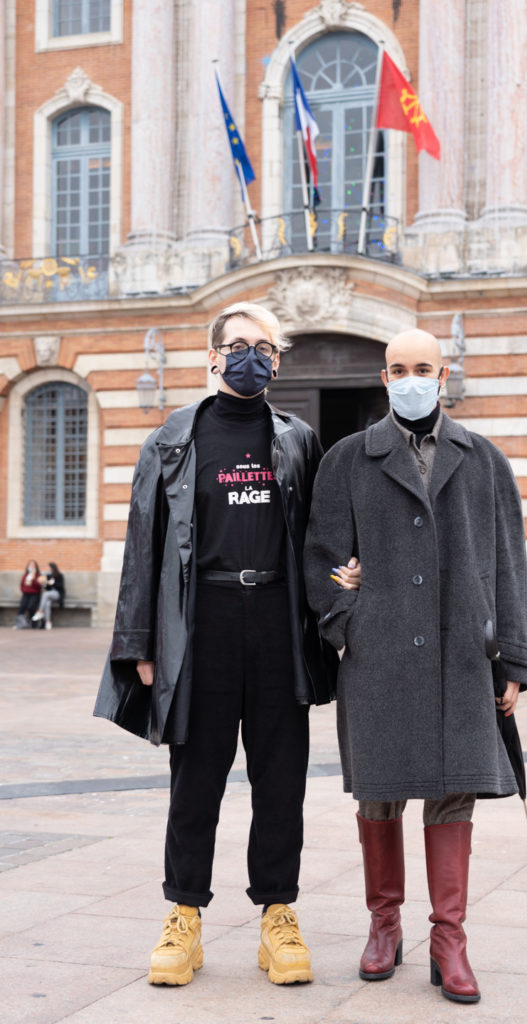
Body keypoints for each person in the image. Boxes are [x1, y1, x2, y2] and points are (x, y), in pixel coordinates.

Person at [94, 302, 337, 988]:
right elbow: (142, 544)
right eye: (237, 345)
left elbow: (318, 540)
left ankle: (278, 918)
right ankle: (183, 918)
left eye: (262, 347)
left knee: (280, 783)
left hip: (278, 627)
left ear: (277, 361)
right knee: (194, 781)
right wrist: (139, 641)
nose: (249, 356)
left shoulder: (297, 441)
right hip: (201, 626)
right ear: (212, 356)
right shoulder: (173, 438)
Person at [304, 328, 527, 1004]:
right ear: (383, 378)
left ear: (443, 375)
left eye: (422, 368)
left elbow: (508, 565)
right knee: (378, 789)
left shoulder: (483, 459)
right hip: (376, 657)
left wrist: (513, 658)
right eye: (398, 368)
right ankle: (384, 925)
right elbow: (321, 559)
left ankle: (448, 937)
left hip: (462, 652)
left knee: (453, 789)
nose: (410, 379)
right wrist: (348, 622)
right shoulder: (347, 459)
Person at [32, 562, 65, 630]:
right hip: (50, 595)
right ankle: (48, 622)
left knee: (45, 594)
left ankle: (40, 612)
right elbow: (48, 588)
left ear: (52, 568)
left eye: (48, 568)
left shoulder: (59, 575)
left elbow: (61, 586)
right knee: (47, 603)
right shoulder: (48, 576)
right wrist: (45, 583)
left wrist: (52, 583)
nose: (47, 569)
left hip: (57, 594)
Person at [14, 560, 42, 629]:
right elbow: (22, 584)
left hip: (34, 594)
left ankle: (33, 623)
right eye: (30, 565)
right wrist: (24, 590)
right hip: (26, 594)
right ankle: (18, 624)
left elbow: (39, 586)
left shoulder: (38, 575)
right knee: (22, 607)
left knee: (31, 607)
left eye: (33, 565)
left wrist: (33, 579)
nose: (31, 567)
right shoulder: (25, 575)